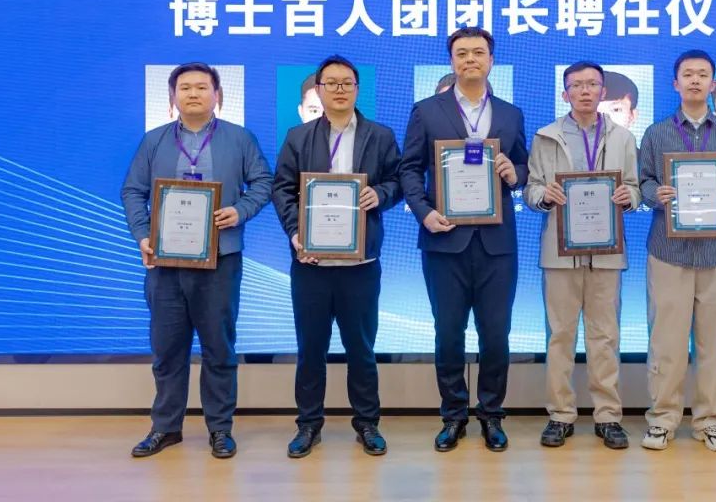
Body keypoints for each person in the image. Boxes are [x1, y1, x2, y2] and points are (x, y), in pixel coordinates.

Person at [122, 62, 273, 459]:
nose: (193, 93)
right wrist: (143, 235)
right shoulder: (154, 140)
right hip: (166, 263)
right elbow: (132, 191)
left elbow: (264, 182)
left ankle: (220, 429)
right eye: (185, 87)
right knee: (167, 350)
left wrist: (240, 211)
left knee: (218, 349)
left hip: (220, 260)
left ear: (217, 95)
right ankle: (165, 427)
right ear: (172, 96)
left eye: (202, 87)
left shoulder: (239, 138)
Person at [399, 27, 529, 453]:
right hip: (444, 241)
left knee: (496, 334)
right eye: (461, 53)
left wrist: (514, 174)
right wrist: (424, 212)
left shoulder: (510, 114)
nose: (470, 59)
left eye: (478, 52)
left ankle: (491, 414)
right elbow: (409, 169)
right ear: (451, 60)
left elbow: (525, 167)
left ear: (491, 60)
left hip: (497, 244)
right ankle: (453, 415)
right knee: (448, 333)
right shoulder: (427, 111)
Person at [272, 55, 403, 459]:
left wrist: (380, 194)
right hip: (310, 265)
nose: (340, 89)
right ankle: (308, 425)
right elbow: (282, 189)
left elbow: (399, 181)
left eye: (347, 82)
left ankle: (367, 423)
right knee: (311, 349)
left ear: (357, 89)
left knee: (361, 350)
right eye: (331, 83)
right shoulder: (298, 137)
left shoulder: (380, 136)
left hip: (360, 265)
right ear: (319, 90)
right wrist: (296, 233)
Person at [638, 50, 716, 453]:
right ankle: (663, 419)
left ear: (713, 84)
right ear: (675, 83)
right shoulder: (656, 133)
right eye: (687, 74)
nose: (694, 80)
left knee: (712, 344)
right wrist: (656, 193)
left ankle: (709, 421)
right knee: (666, 343)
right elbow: (643, 181)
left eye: (702, 74)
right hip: (668, 251)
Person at [525, 61, 641, 450]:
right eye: (577, 85)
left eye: (592, 84)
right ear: (565, 93)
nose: (585, 91)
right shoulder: (546, 137)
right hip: (560, 253)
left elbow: (635, 187)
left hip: (607, 252)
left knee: (605, 336)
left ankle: (608, 416)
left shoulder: (623, 138)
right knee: (560, 335)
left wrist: (628, 196)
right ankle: (560, 415)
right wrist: (544, 195)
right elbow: (531, 189)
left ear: (602, 91)